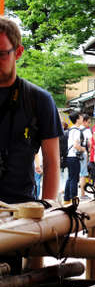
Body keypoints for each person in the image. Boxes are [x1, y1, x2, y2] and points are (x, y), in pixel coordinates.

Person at [0, 17, 62, 204]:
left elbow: (51, 163)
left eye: (1, 54)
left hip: (21, 209)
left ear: (18, 52)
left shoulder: (39, 100)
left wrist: (48, 210)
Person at [64, 112, 86, 203]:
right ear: (77, 119)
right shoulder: (76, 131)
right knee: (74, 178)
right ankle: (74, 198)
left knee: (70, 177)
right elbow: (76, 145)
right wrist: (83, 149)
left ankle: (67, 198)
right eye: (81, 117)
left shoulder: (71, 129)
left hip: (69, 156)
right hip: (74, 156)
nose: (82, 118)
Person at [79, 114, 92, 199]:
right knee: (83, 174)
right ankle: (82, 194)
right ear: (84, 121)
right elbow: (90, 143)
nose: (89, 124)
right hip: (83, 154)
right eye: (88, 122)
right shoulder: (87, 131)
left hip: (75, 154)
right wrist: (90, 152)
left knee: (78, 174)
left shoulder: (76, 128)